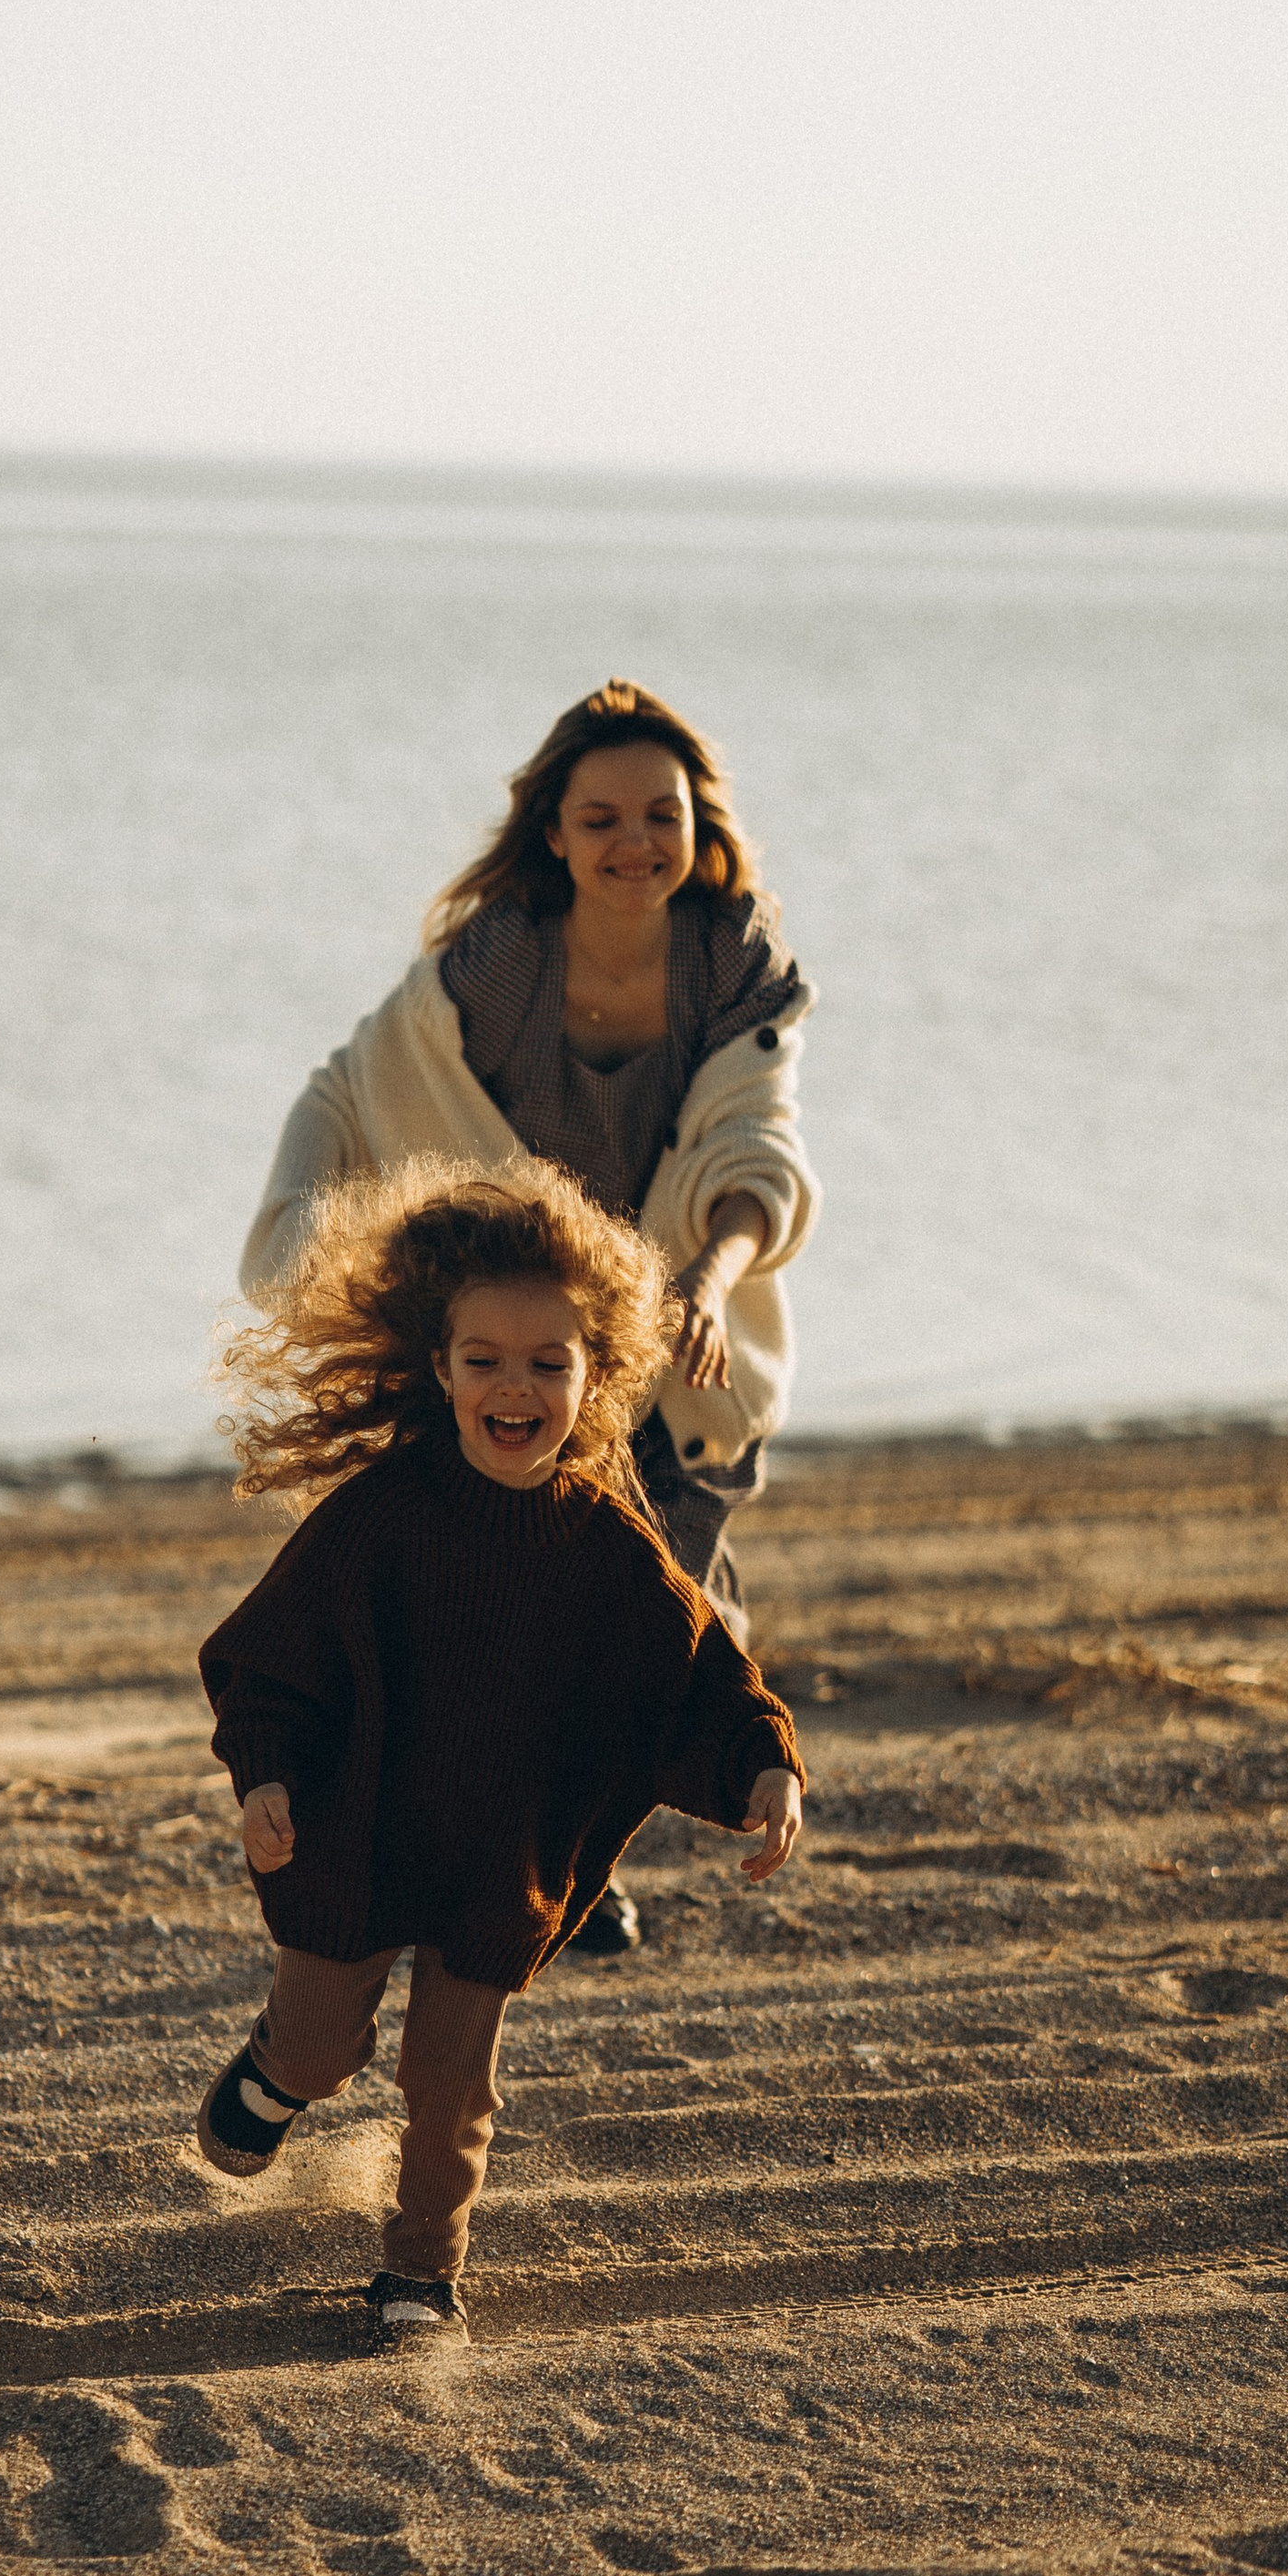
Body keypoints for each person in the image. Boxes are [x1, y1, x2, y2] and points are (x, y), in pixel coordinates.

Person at [239, 680, 818, 1955]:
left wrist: (704, 1290)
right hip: (526, 1355)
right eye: (599, 817)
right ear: (552, 832)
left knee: (668, 1626)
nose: (633, 844)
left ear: (697, 827)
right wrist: (302, 1223)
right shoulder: (502, 964)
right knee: (520, 1617)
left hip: (676, 1353)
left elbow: (753, 1152)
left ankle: (582, 1845)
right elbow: (354, 1084)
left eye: (658, 816)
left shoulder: (735, 960)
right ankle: (564, 1874)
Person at [195, 1158, 805, 2351]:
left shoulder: (612, 1550)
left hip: (498, 1862)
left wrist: (764, 1767)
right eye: (485, 1361)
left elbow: (700, 1684)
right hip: (353, 1836)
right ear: (440, 1368)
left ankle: (420, 2274)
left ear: (598, 1374)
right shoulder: (378, 1520)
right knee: (326, 2041)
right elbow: (272, 1661)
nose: (513, 1389)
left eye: (547, 1364)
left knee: (451, 2088)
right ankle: (277, 2075)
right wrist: (265, 1775)